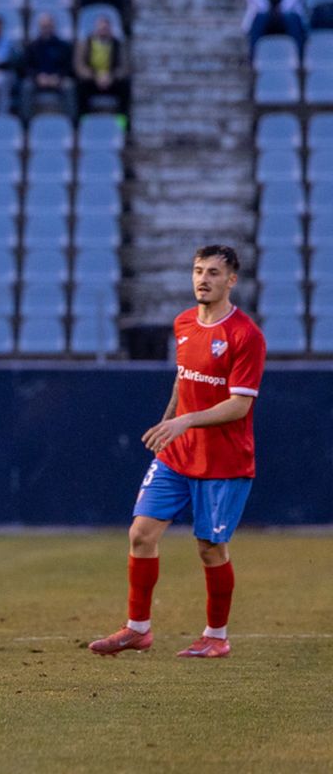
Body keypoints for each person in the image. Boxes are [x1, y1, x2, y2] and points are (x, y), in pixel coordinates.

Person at [90, 245, 265, 660]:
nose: (203, 279)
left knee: (209, 547)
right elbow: (183, 379)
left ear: (231, 280)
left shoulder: (245, 336)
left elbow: (240, 405)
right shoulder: (184, 322)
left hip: (223, 461)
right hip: (177, 455)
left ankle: (216, 636)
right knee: (140, 533)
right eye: (198, 271)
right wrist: (170, 420)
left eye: (214, 273)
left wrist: (185, 421)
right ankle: (137, 629)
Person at [19, 12, 76, 118]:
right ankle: (26, 122)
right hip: (38, 80)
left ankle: (71, 121)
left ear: (54, 27)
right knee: (26, 86)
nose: (47, 29)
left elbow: (68, 67)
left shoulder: (63, 46)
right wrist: (37, 77)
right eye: (44, 26)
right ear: (40, 28)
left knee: (69, 86)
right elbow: (27, 67)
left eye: (49, 26)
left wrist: (58, 77)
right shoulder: (32, 46)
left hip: (58, 79)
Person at [74, 14, 130, 115]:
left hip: (111, 80)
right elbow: (79, 65)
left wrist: (111, 76)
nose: (103, 30)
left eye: (105, 28)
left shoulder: (117, 44)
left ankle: (123, 121)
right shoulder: (86, 43)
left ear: (110, 29)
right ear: (96, 28)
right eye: (101, 28)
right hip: (92, 79)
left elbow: (124, 67)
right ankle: (83, 119)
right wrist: (96, 76)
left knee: (125, 86)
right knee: (80, 86)